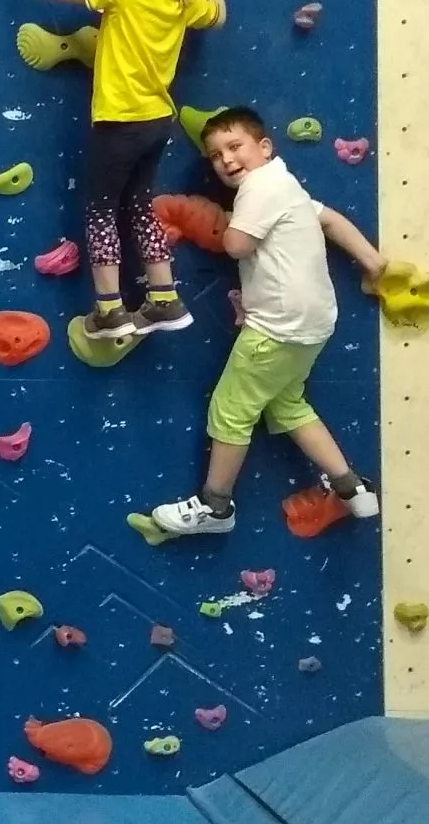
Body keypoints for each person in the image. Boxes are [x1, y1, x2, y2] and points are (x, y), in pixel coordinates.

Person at [148, 108, 385, 536]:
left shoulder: (259, 188)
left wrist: (217, 225)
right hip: (314, 322)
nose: (225, 160)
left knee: (232, 409)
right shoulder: (285, 184)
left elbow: (237, 245)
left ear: (264, 147)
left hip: (277, 325)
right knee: (287, 404)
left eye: (234, 146)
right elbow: (328, 219)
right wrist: (372, 260)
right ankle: (352, 488)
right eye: (215, 155)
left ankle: (215, 506)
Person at [3, 0, 226, 340]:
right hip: (158, 120)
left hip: (120, 120)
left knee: (101, 210)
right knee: (139, 205)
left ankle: (109, 308)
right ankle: (164, 298)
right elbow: (217, 16)